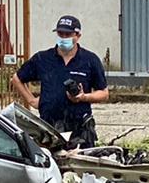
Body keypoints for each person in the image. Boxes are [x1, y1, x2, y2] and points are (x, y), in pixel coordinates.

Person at [10, 14, 109, 147]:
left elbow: (104, 93)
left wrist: (84, 97)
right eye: (60, 34)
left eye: (68, 34)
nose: (63, 38)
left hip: (79, 129)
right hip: (48, 128)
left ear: (78, 35)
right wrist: (32, 100)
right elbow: (17, 78)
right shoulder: (42, 59)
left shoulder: (90, 60)